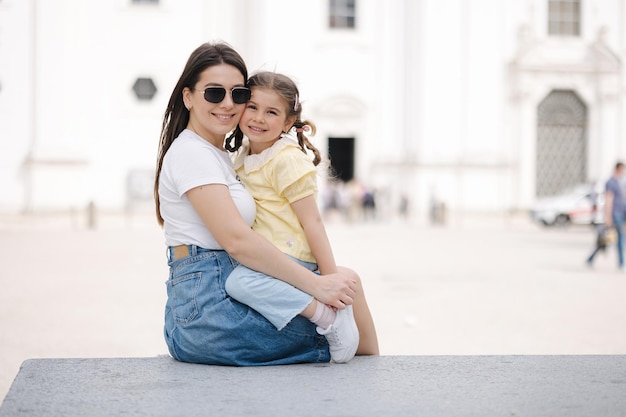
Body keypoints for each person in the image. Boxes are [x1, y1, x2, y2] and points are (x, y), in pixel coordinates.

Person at [154, 42, 373, 365]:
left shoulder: (225, 156)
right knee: (352, 321)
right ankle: (372, 384)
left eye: (238, 94)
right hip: (210, 308)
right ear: (188, 96)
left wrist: (323, 281)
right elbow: (238, 241)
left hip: (213, 294)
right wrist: (318, 285)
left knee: (346, 282)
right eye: (214, 93)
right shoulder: (192, 153)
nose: (228, 104)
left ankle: (371, 380)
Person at [224, 71, 379, 363]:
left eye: (271, 112)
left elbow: (313, 222)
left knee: (238, 283)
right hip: (270, 256)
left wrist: (330, 279)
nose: (258, 118)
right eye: (253, 107)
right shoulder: (243, 156)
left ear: (287, 122)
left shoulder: (286, 159)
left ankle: (328, 315)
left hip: (292, 256)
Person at [587, 161, 626, 269]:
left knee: (606, 239)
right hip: (615, 214)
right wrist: (608, 217)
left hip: (620, 213)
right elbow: (608, 200)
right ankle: (621, 263)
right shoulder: (611, 182)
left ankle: (591, 258)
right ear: (618, 169)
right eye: (622, 170)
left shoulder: (619, 182)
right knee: (619, 238)